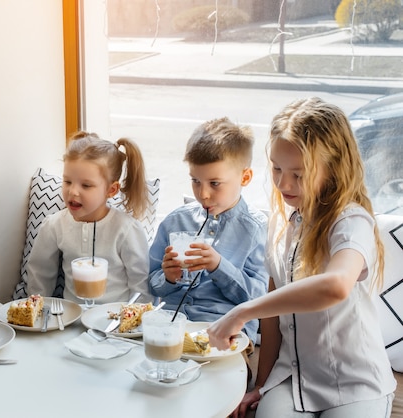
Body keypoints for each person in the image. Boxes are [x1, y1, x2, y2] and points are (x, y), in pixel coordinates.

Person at [208, 98, 396, 418]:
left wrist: (242, 312)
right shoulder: (282, 222)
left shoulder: (351, 220)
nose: (283, 184)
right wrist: (262, 384)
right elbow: (273, 310)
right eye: (277, 168)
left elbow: (335, 286)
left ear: (334, 167)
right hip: (291, 377)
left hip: (354, 382)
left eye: (299, 173)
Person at [148, 117, 268, 345]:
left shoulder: (256, 228)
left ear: (245, 177)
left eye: (214, 183)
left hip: (225, 334)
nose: (203, 194)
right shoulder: (175, 221)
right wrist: (168, 278)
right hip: (171, 329)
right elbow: (151, 283)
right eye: (195, 181)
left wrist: (218, 266)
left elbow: (257, 300)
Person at [26, 131, 152, 303]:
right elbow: (39, 275)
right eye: (67, 182)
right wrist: (38, 310)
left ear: (111, 190)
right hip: (72, 320)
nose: (73, 191)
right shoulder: (54, 225)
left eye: (86, 185)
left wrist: (134, 321)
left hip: (116, 323)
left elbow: (141, 286)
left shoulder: (126, 230)